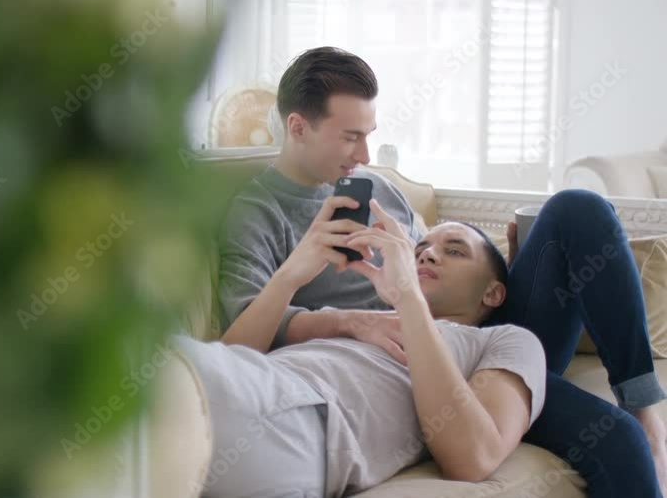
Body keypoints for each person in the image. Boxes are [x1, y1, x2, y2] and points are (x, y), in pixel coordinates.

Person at [217, 46, 667, 496]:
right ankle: (635, 432)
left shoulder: (377, 188)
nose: (366, 153)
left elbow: (434, 257)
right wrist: (348, 319)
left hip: (483, 331)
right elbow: (242, 339)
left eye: (369, 134)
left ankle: (644, 405)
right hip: (430, 369)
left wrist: (505, 275)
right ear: (298, 127)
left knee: (580, 209)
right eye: (351, 137)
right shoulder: (257, 214)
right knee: (618, 442)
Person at [183, 201, 545, 496]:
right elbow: (231, 359)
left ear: (492, 293)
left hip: (306, 425)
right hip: (257, 392)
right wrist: (290, 276)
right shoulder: (362, 320)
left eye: (454, 251)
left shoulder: (505, 340)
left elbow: (475, 457)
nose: (427, 256)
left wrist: (408, 298)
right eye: (419, 251)